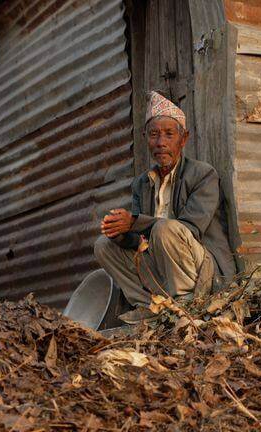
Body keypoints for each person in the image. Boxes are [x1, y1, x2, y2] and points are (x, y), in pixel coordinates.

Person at [94, 91, 239, 324]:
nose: (161, 142)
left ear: (184, 139)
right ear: (146, 138)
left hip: (204, 273)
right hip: (162, 269)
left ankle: (187, 304)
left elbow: (190, 228)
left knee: (164, 229)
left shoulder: (203, 175)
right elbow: (140, 241)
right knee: (103, 246)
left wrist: (135, 221)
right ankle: (150, 307)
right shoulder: (142, 183)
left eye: (169, 134)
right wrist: (121, 234)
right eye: (154, 135)